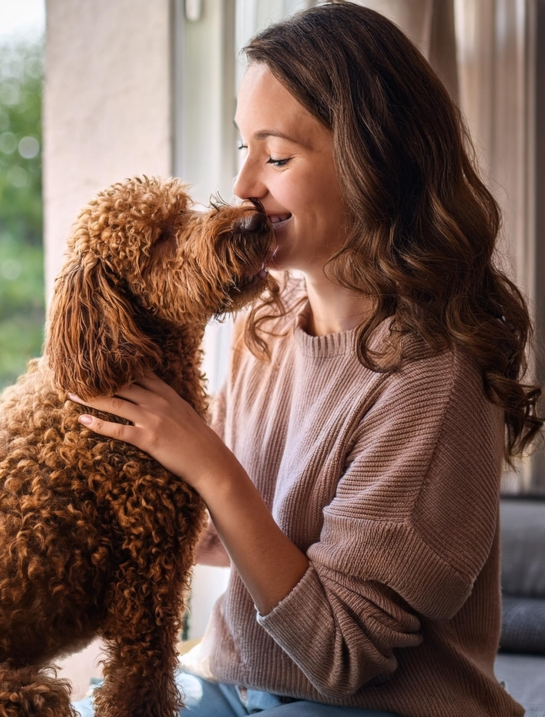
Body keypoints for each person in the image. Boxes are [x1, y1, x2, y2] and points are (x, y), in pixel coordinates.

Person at [69, 3, 541, 715]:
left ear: (374, 161)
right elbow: (221, 533)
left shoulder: (433, 380)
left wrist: (205, 460)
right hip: (238, 681)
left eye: (278, 156)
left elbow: (340, 653)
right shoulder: (271, 320)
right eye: (242, 148)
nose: (244, 186)